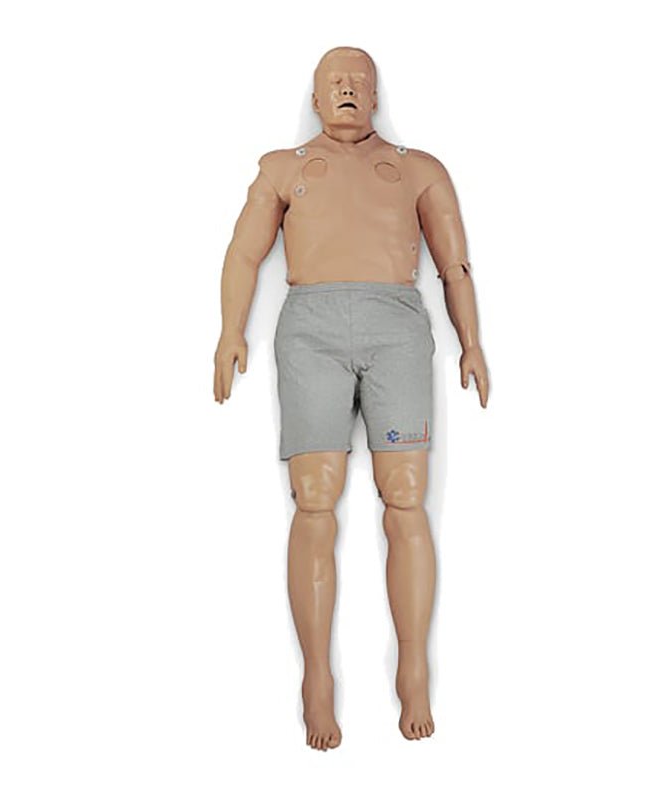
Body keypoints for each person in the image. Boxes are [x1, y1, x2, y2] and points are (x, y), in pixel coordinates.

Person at [213, 46, 489, 750]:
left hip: (397, 325)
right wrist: (230, 331)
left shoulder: (419, 170)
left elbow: (455, 264)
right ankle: (316, 677)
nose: (346, 88)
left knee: (407, 496)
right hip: (310, 329)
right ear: (314, 98)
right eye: (333, 81)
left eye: (359, 82)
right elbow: (244, 252)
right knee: (314, 498)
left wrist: (472, 342)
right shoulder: (283, 168)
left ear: (375, 96)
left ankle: (414, 667)